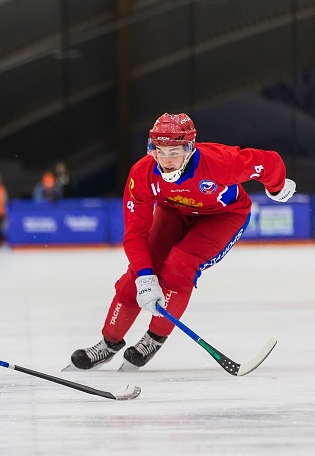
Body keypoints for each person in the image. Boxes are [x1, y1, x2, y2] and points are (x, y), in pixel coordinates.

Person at [66, 112, 296, 371]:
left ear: (190, 148)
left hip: (223, 216)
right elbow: (134, 233)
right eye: (159, 150)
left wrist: (276, 187)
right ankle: (108, 343)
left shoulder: (221, 162)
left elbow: (269, 162)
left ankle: (154, 339)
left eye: (174, 151)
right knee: (137, 276)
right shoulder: (142, 173)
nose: (166, 160)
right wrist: (144, 277)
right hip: (174, 212)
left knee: (180, 265)